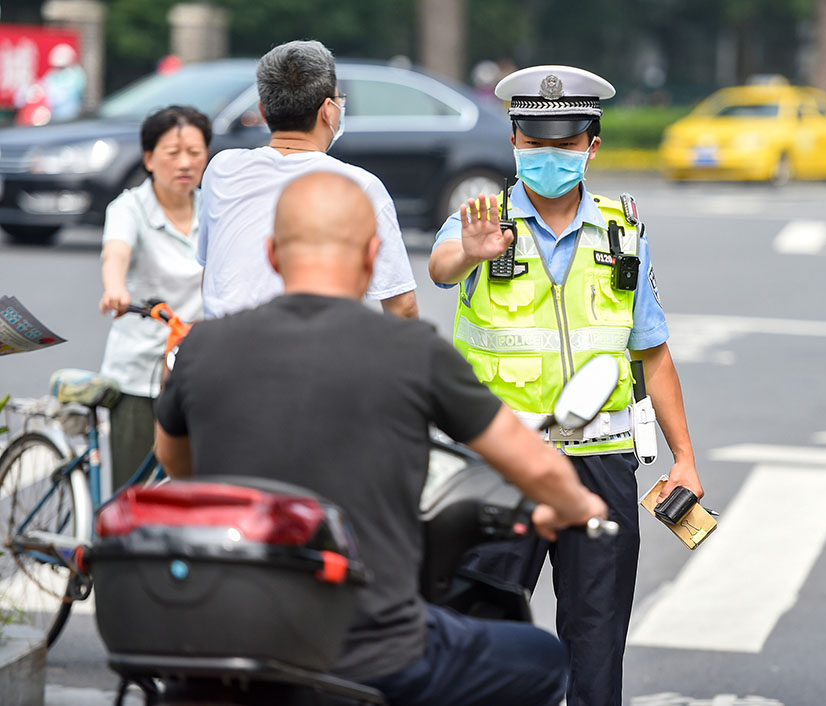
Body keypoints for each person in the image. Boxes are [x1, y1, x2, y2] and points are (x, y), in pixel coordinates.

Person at [153, 171, 609, 706]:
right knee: (541, 660)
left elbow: (176, 464)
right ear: (372, 257)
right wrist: (576, 505)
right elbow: (536, 466)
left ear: (273, 254)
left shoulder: (203, 347)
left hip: (227, 640)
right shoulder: (412, 350)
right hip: (371, 652)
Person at [427, 65, 705, 706]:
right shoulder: (480, 221)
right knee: (478, 638)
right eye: (534, 143)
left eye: (563, 144)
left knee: (596, 644)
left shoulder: (622, 230)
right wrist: (468, 251)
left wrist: (684, 457)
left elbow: (654, 354)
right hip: (500, 466)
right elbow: (441, 269)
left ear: (591, 146)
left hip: (601, 464)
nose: (547, 156)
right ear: (515, 142)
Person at [197, 39, 418, 320]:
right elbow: (401, 305)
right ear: (329, 110)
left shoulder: (222, 169)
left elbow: (210, 269)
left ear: (263, 112)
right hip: (315, 353)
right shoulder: (358, 186)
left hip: (223, 347)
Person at [98, 105, 210, 490]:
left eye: (195, 153)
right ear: (148, 158)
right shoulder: (129, 208)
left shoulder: (215, 209)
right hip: (139, 371)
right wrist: (115, 289)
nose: (185, 163)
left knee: (197, 483)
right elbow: (116, 251)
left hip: (197, 366)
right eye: (172, 153)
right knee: (133, 488)